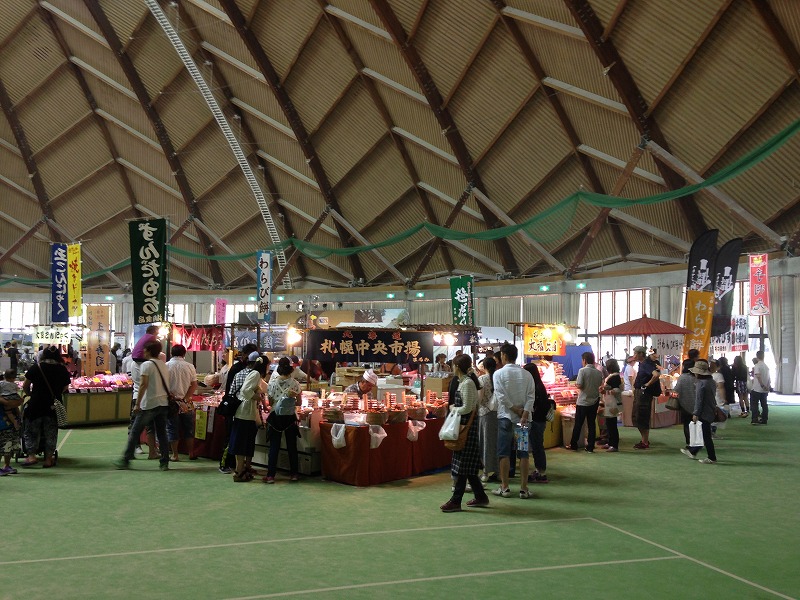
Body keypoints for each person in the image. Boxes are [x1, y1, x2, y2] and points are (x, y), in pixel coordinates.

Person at [439, 354, 490, 512]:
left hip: (465, 428)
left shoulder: (467, 383)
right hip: (466, 427)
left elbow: (467, 408)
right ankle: (481, 497)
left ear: (457, 367)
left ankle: (456, 501)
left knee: (462, 466)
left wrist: (453, 408)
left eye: (454, 365)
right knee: (468, 466)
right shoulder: (465, 382)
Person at [113, 340, 171, 471]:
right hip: (163, 403)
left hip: (149, 403)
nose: (143, 351)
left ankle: (126, 459)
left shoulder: (146, 365)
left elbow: (143, 385)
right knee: (162, 433)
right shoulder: (163, 365)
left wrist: (137, 404)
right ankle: (164, 462)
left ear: (149, 351)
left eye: (145, 349)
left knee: (135, 431)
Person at [492, 343, 535, 499]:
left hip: (506, 418)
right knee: (523, 453)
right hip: (522, 421)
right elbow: (531, 396)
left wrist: (514, 409)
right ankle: (524, 489)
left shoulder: (498, 374)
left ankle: (505, 487)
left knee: (504, 453)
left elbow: (501, 396)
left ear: (503, 356)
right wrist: (524, 413)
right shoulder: (527, 374)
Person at [21, 346, 71, 468]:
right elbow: (65, 387)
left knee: (31, 431)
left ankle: (31, 456)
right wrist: (56, 392)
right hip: (52, 405)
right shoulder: (62, 369)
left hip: (36, 404)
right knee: (51, 432)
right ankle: (48, 459)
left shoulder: (36, 367)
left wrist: (30, 393)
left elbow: (25, 385)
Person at [218, 343, 257, 474]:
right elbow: (231, 390)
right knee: (231, 436)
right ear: (244, 355)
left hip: (242, 407)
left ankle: (239, 465)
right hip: (233, 406)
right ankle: (224, 464)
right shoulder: (236, 369)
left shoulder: (248, 369)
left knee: (240, 438)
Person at [229, 353, 267, 482]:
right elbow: (245, 390)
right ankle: (239, 471)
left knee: (242, 442)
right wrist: (257, 397)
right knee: (241, 443)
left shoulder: (253, 374)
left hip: (245, 413)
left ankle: (241, 470)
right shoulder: (255, 374)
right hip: (245, 412)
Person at [264, 357, 302, 483]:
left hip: (275, 416)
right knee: (292, 446)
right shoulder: (295, 383)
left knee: (274, 446)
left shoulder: (272, 383)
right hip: (290, 417)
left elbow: (271, 402)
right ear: (291, 369)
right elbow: (299, 402)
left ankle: (270, 476)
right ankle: (294, 474)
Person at [682, 360, 717, 464]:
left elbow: (699, 400)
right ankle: (693, 451)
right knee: (704, 434)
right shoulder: (711, 381)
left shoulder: (700, 384)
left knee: (706, 436)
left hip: (703, 412)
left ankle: (712, 457)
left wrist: (696, 413)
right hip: (711, 409)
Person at [166, 344, 197, 461]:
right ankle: (191, 453)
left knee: (172, 428)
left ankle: (175, 455)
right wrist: (185, 398)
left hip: (171, 402)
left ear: (171, 353)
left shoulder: (166, 366)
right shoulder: (190, 366)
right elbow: (194, 384)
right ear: (184, 354)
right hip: (186, 402)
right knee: (189, 429)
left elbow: (163, 385)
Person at [567, 352, 603, 452]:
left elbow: (579, 385)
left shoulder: (582, 371)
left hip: (583, 401)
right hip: (594, 400)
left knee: (578, 424)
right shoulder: (598, 372)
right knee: (591, 424)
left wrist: (575, 385)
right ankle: (590, 446)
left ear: (584, 360)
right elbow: (600, 385)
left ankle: (574, 444)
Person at [522, 362, 551, 482]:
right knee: (537, 446)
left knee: (537, 446)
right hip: (539, 420)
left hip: (535, 420)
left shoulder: (534, 387)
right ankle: (539, 471)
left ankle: (541, 473)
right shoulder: (539, 385)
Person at [632, 345, 661, 449]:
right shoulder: (643, 364)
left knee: (641, 415)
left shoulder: (646, 364)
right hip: (641, 393)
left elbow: (656, 375)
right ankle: (644, 440)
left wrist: (647, 384)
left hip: (643, 394)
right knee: (638, 416)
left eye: (635, 353)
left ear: (641, 354)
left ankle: (645, 441)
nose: (634, 356)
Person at [477, 357, 498, 483]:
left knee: (485, 443)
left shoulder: (482, 379)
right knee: (496, 443)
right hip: (498, 413)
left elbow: (479, 399)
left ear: (484, 367)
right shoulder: (498, 377)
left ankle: (485, 472)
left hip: (485, 413)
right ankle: (498, 471)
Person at [0, 369, 23, 475]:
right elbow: (10, 404)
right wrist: (15, 402)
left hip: (10, 425)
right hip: (2, 424)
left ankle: (7, 466)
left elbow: (16, 403)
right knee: (2, 446)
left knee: (8, 446)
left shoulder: (6, 390)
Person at [599, 358, 622, 453]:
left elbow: (616, 390)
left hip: (613, 403)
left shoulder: (614, 377)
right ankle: (610, 442)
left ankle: (614, 445)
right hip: (610, 402)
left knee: (612, 424)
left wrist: (605, 391)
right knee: (609, 424)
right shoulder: (614, 376)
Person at [673, 359, 697, 448]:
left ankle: (689, 442)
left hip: (684, 404)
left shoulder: (682, 377)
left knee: (687, 424)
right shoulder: (697, 377)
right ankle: (697, 441)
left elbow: (676, 389)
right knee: (696, 424)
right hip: (697, 404)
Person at [750, 350, 770, 425]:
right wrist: (767, 386)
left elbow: (758, 376)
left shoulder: (757, 366)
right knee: (764, 404)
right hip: (765, 390)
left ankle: (755, 419)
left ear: (757, 356)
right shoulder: (766, 366)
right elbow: (769, 378)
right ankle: (764, 419)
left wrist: (762, 385)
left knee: (754, 404)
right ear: (763, 356)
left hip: (757, 388)